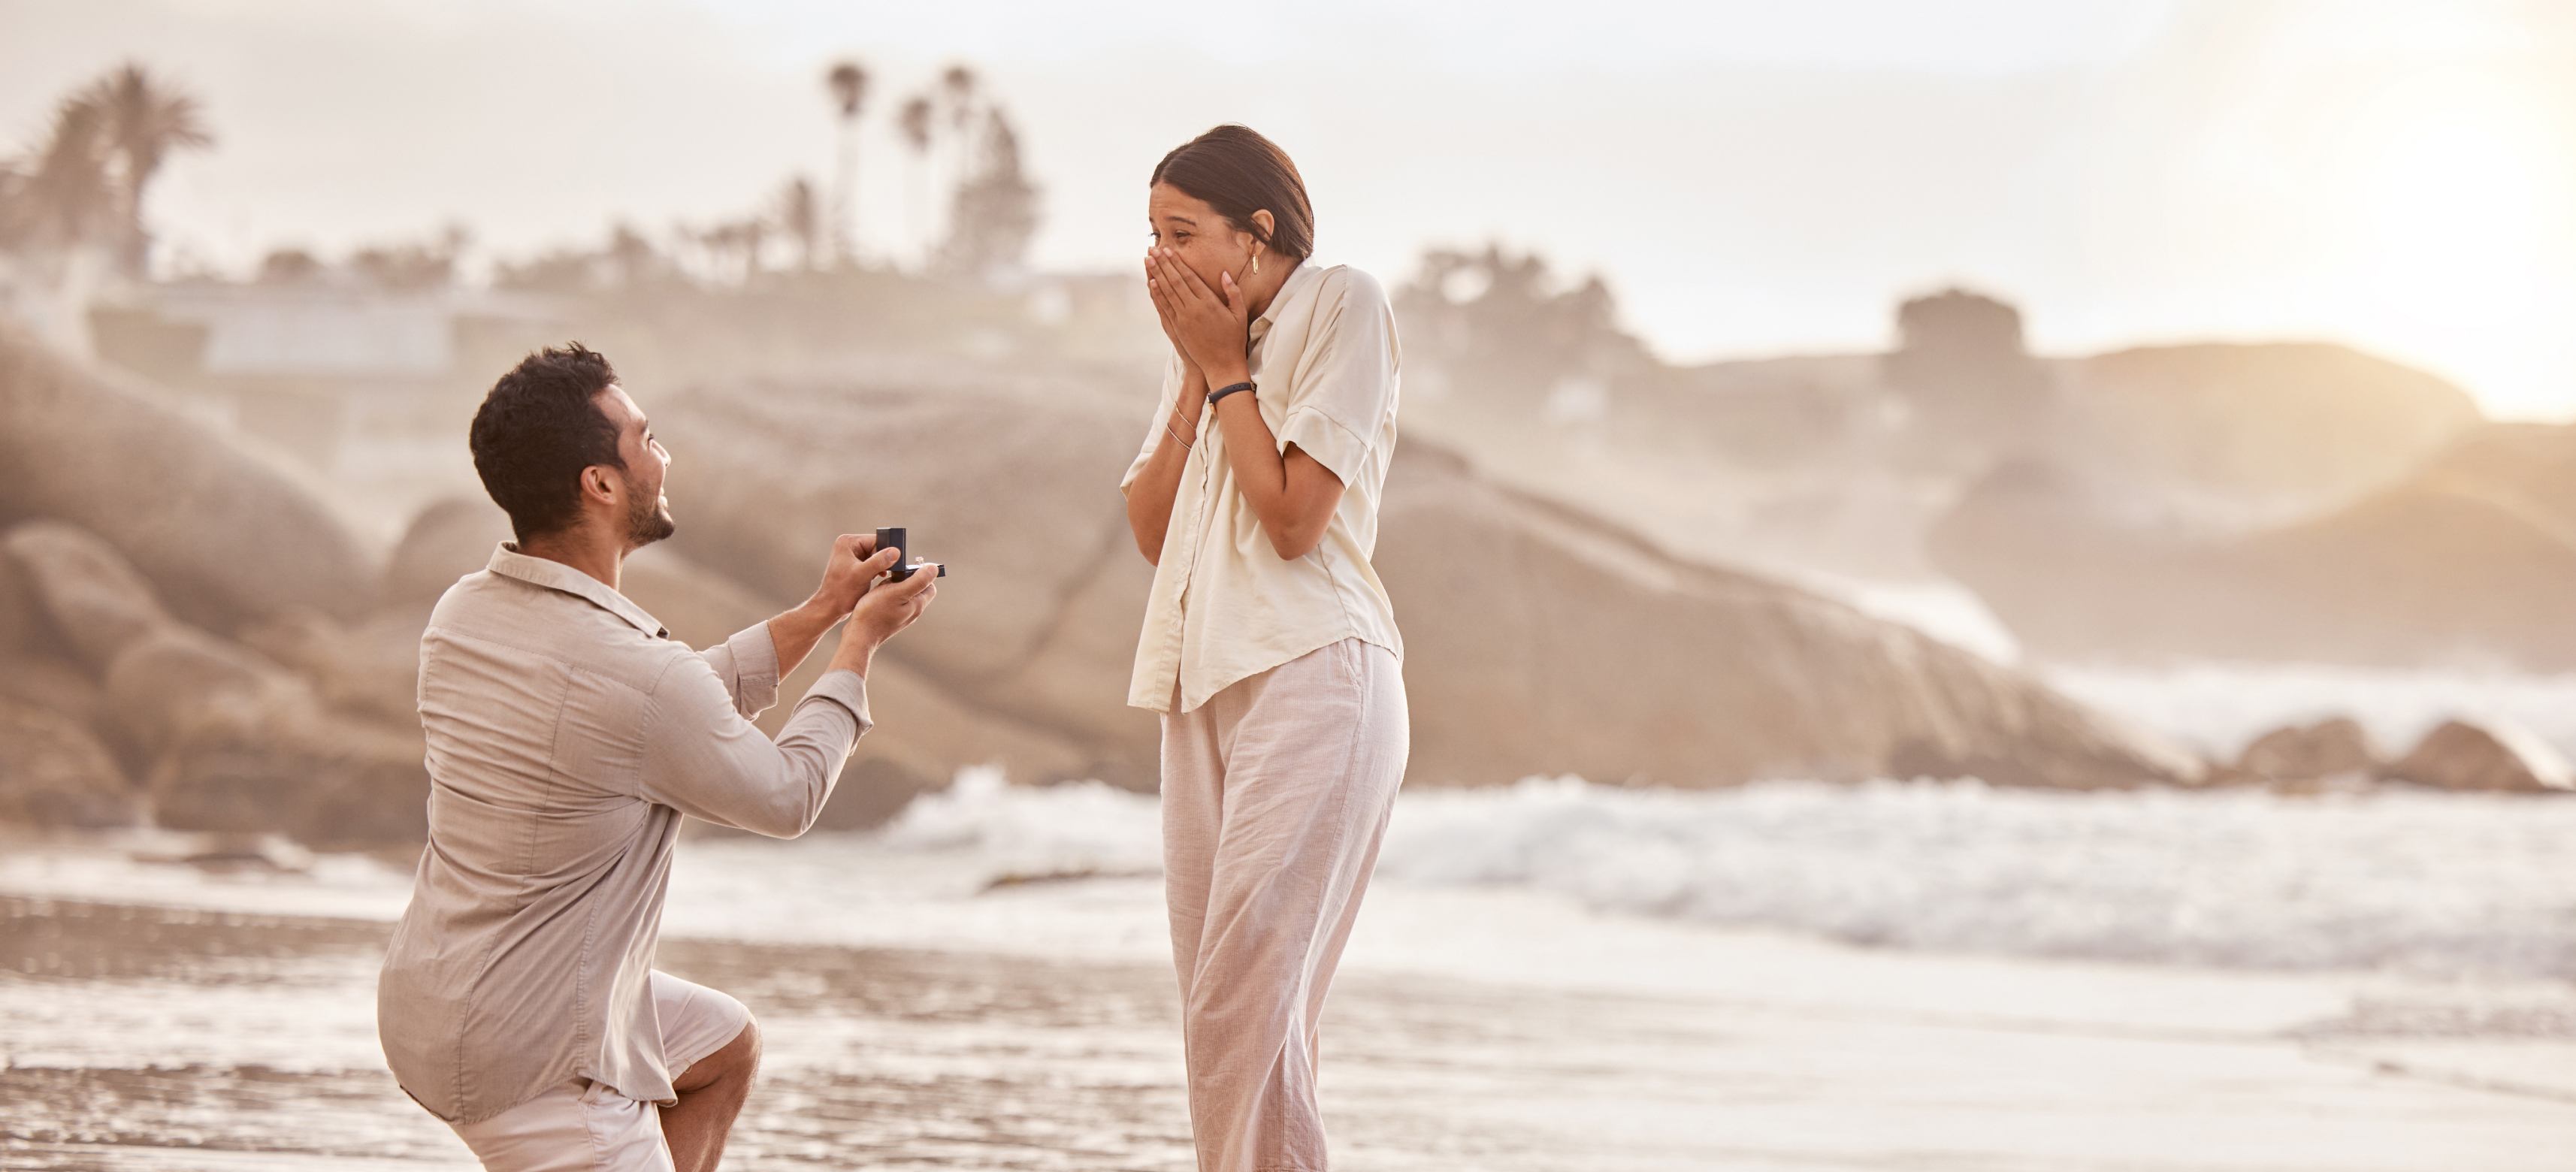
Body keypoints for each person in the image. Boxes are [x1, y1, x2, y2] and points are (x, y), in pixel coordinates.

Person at [376, 343, 938, 1172]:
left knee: (721, 1048)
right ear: (599, 484)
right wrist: (860, 644)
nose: (662, 456)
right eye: (646, 439)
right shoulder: (634, 676)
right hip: (533, 1063)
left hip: (431, 1003)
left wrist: (823, 610)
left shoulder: (464, 614)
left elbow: (653, 712)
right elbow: (783, 797)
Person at [1119, 125, 1409, 1171]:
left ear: (1259, 231)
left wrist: (1228, 368)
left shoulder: (1344, 302)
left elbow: (1293, 519)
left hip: (1314, 668)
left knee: (1245, 999)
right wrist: (1202, 373)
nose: (1159, 256)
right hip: (1201, 683)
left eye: (1182, 231)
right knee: (1226, 1012)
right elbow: (1154, 532)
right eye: (1151, 232)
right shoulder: (1202, 344)